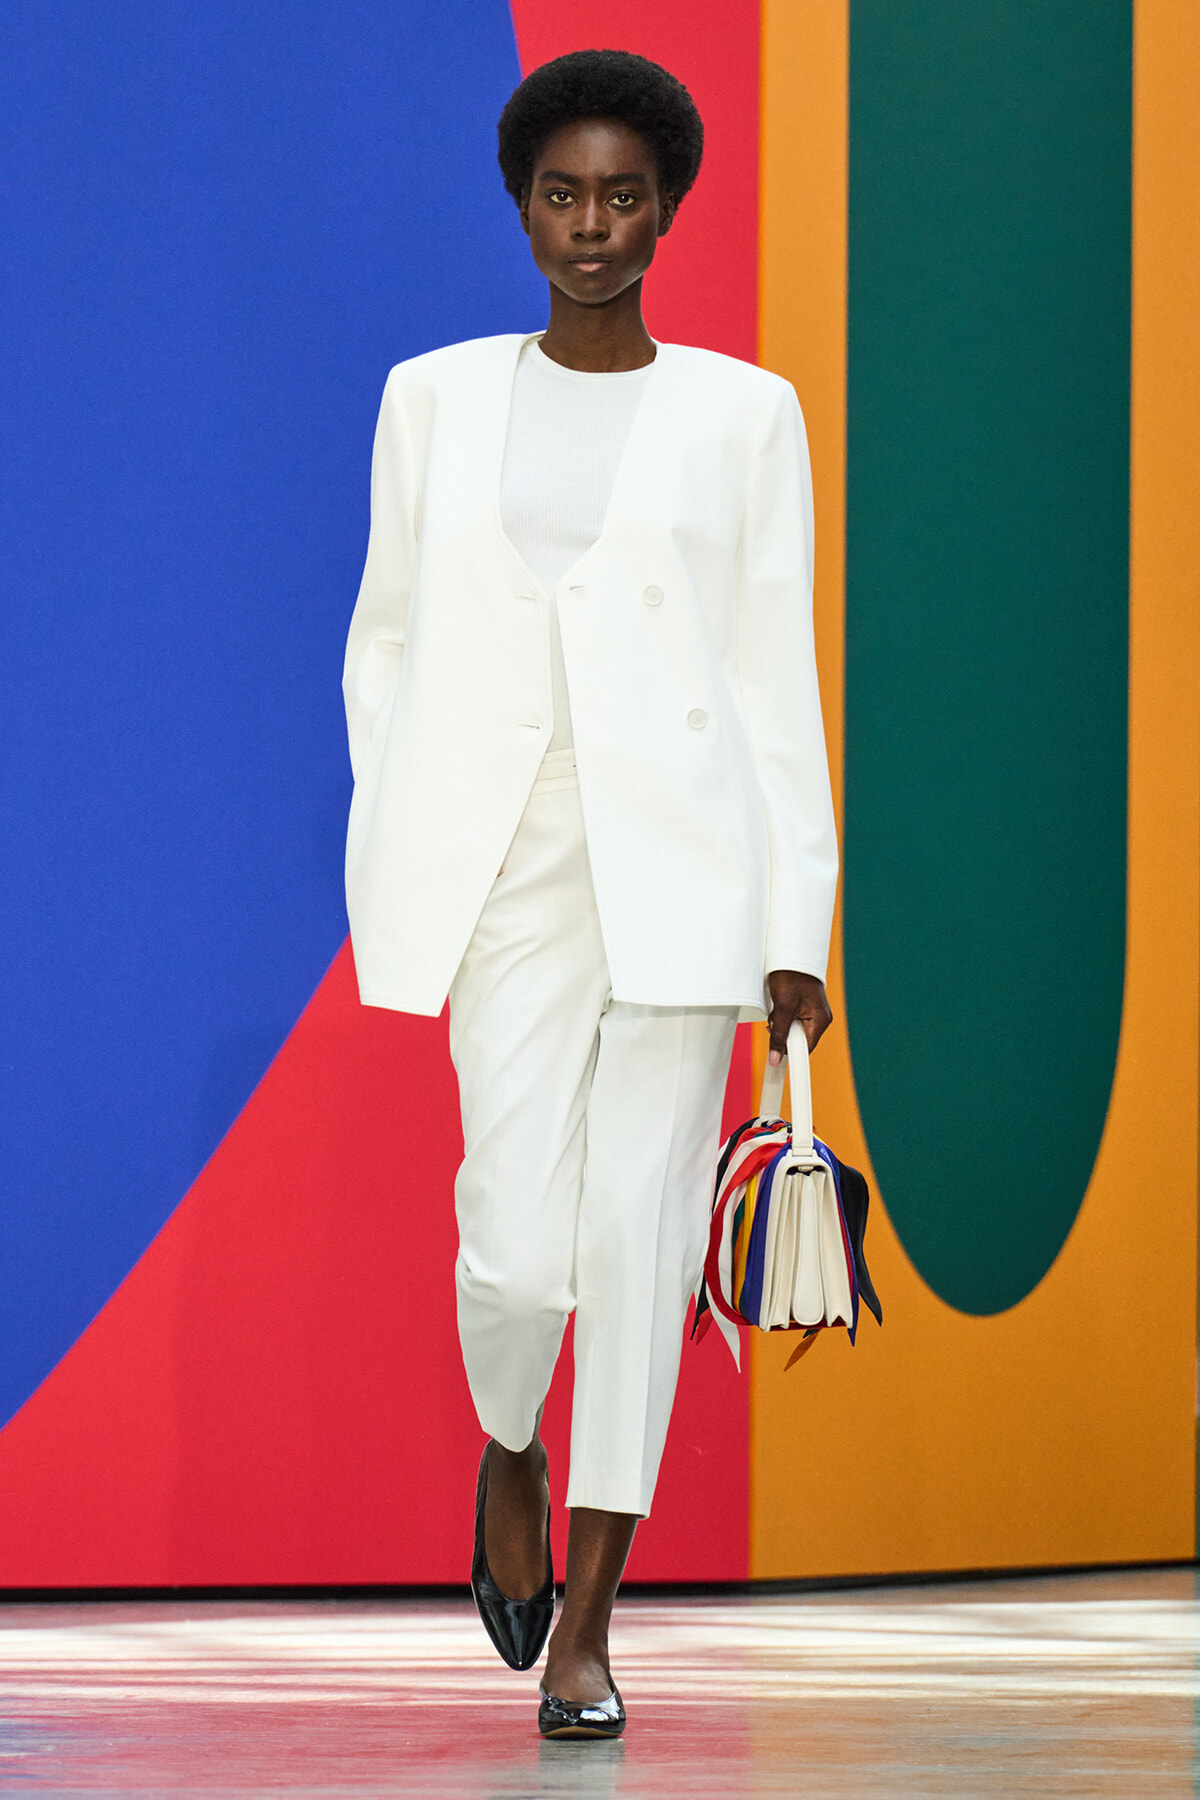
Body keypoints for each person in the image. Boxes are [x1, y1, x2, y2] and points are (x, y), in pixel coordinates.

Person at [342, 48, 838, 1739]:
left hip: (690, 872)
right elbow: (384, 645)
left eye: (626, 194)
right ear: (522, 202)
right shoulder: (432, 398)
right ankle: (511, 1446)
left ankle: (594, 1624)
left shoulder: (743, 412)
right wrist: (403, 820)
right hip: (510, 864)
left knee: (633, 1247)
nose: (595, 225)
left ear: (669, 206)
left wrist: (797, 927)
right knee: (515, 1249)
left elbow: (779, 680)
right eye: (566, 192)